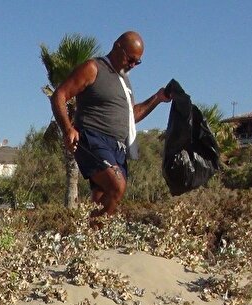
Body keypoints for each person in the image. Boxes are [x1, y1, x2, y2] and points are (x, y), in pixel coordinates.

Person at [50, 31, 170, 219]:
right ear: (117, 47)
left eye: (137, 62)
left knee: (101, 196)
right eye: (130, 59)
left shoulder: (125, 81)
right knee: (117, 186)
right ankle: (94, 229)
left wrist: (157, 98)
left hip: (118, 146)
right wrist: (67, 128)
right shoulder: (93, 68)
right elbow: (60, 95)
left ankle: (90, 238)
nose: (132, 65)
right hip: (92, 138)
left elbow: (131, 117)